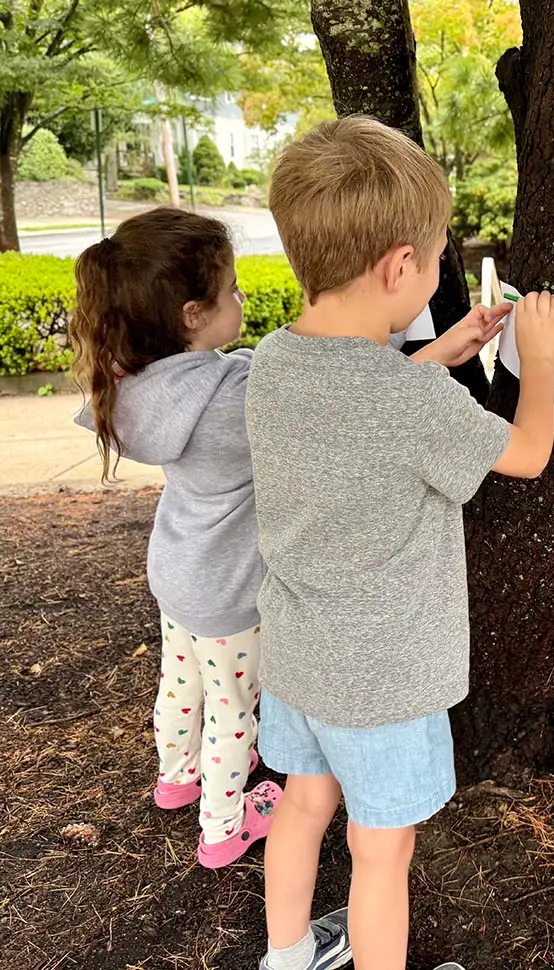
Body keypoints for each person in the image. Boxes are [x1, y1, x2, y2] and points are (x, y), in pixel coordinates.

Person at [246, 117, 554, 970]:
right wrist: (538, 362)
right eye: (431, 258)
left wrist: (441, 354)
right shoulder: (409, 403)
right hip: (384, 675)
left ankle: (286, 956)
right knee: (382, 849)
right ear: (398, 268)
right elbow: (527, 453)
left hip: (301, 655)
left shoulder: (270, 362)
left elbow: (354, 414)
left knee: (301, 807)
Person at [70, 207, 281, 868]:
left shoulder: (136, 380)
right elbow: (314, 396)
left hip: (179, 569)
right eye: (232, 290)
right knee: (234, 710)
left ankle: (177, 775)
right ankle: (225, 825)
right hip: (227, 590)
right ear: (193, 313)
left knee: (181, 682)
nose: (242, 298)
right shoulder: (227, 399)